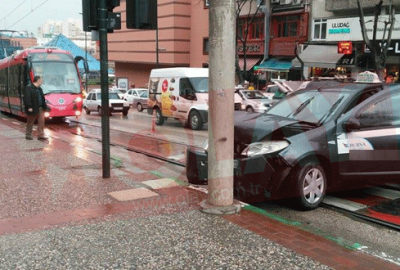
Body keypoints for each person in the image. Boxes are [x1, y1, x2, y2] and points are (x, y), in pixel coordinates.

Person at [23, 76, 49, 140]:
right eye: (41, 80)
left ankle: (40, 135)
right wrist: (29, 106)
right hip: (33, 108)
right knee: (30, 122)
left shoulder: (39, 89)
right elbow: (27, 98)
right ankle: (28, 135)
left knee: (41, 122)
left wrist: (45, 107)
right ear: (38, 80)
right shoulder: (28, 88)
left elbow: (42, 98)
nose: (42, 82)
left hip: (40, 108)